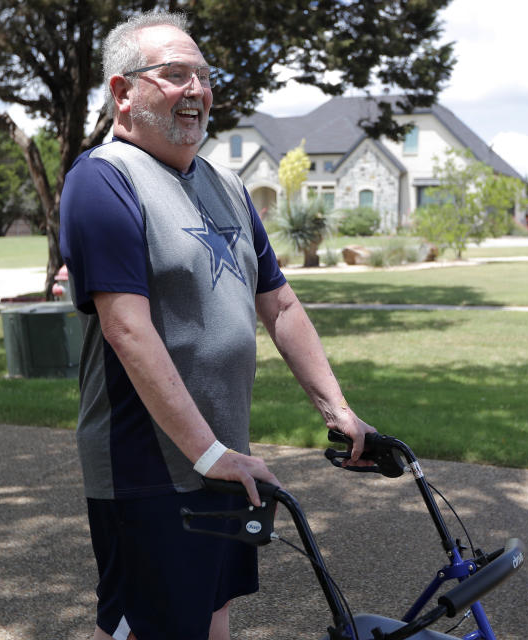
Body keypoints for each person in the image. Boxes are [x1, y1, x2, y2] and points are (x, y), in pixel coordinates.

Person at [58, 12, 373, 640]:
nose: (197, 91)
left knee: (212, 612)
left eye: (204, 77)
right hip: (148, 469)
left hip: (228, 458)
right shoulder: (103, 180)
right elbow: (127, 330)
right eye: (175, 75)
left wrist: (337, 408)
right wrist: (208, 454)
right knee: (146, 627)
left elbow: (280, 305)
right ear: (123, 93)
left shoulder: (226, 184)